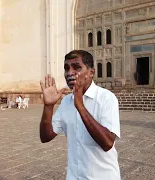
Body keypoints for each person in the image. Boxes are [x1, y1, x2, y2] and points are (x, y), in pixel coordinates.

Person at [39, 50, 121, 179]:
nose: (70, 73)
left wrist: (80, 106)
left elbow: (107, 143)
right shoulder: (66, 102)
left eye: (76, 67)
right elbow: (46, 137)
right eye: (66, 68)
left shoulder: (106, 98)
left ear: (90, 73)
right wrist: (48, 106)